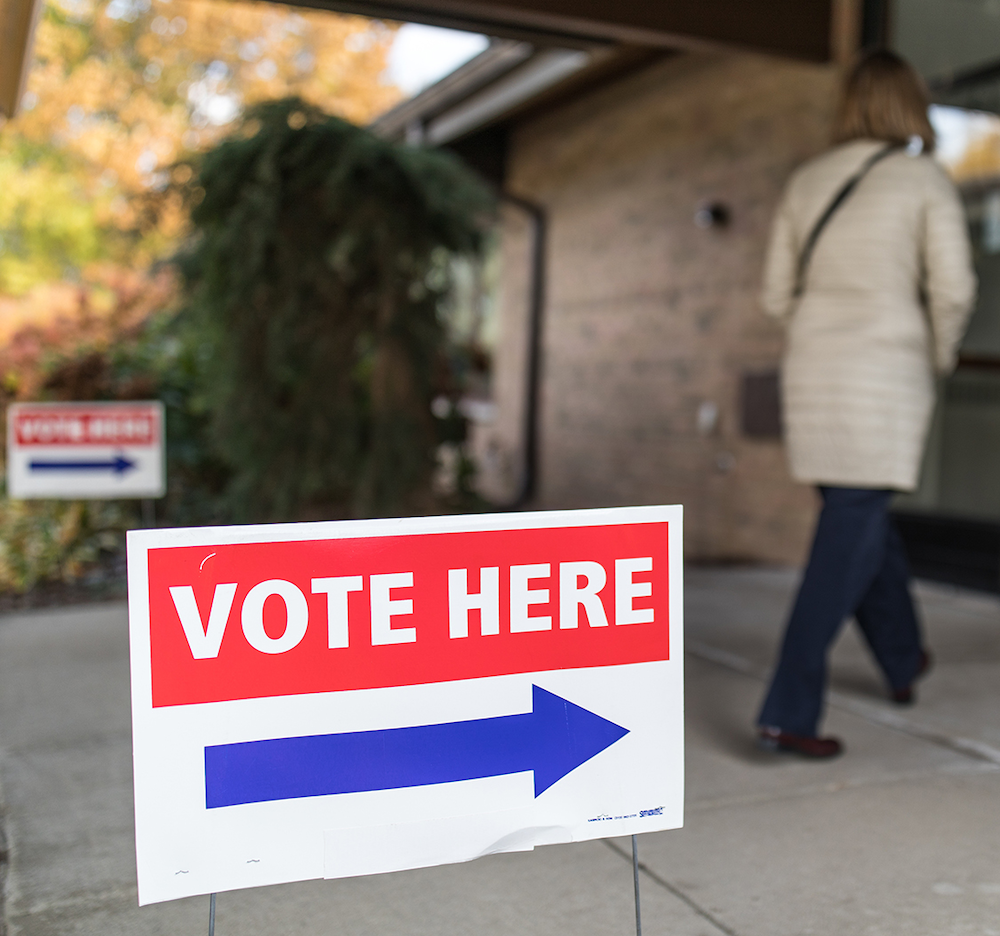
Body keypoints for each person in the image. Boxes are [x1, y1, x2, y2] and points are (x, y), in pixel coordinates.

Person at [756, 50, 977, 758]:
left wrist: (824, 336)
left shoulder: (806, 180)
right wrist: (935, 355)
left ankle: (903, 656)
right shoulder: (922, 180)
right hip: (887, 371)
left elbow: (773, 296)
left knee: (861, 517)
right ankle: (788, 710)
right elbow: (954, 289)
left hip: (816, 369)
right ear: (910, 102)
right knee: (851, 527)